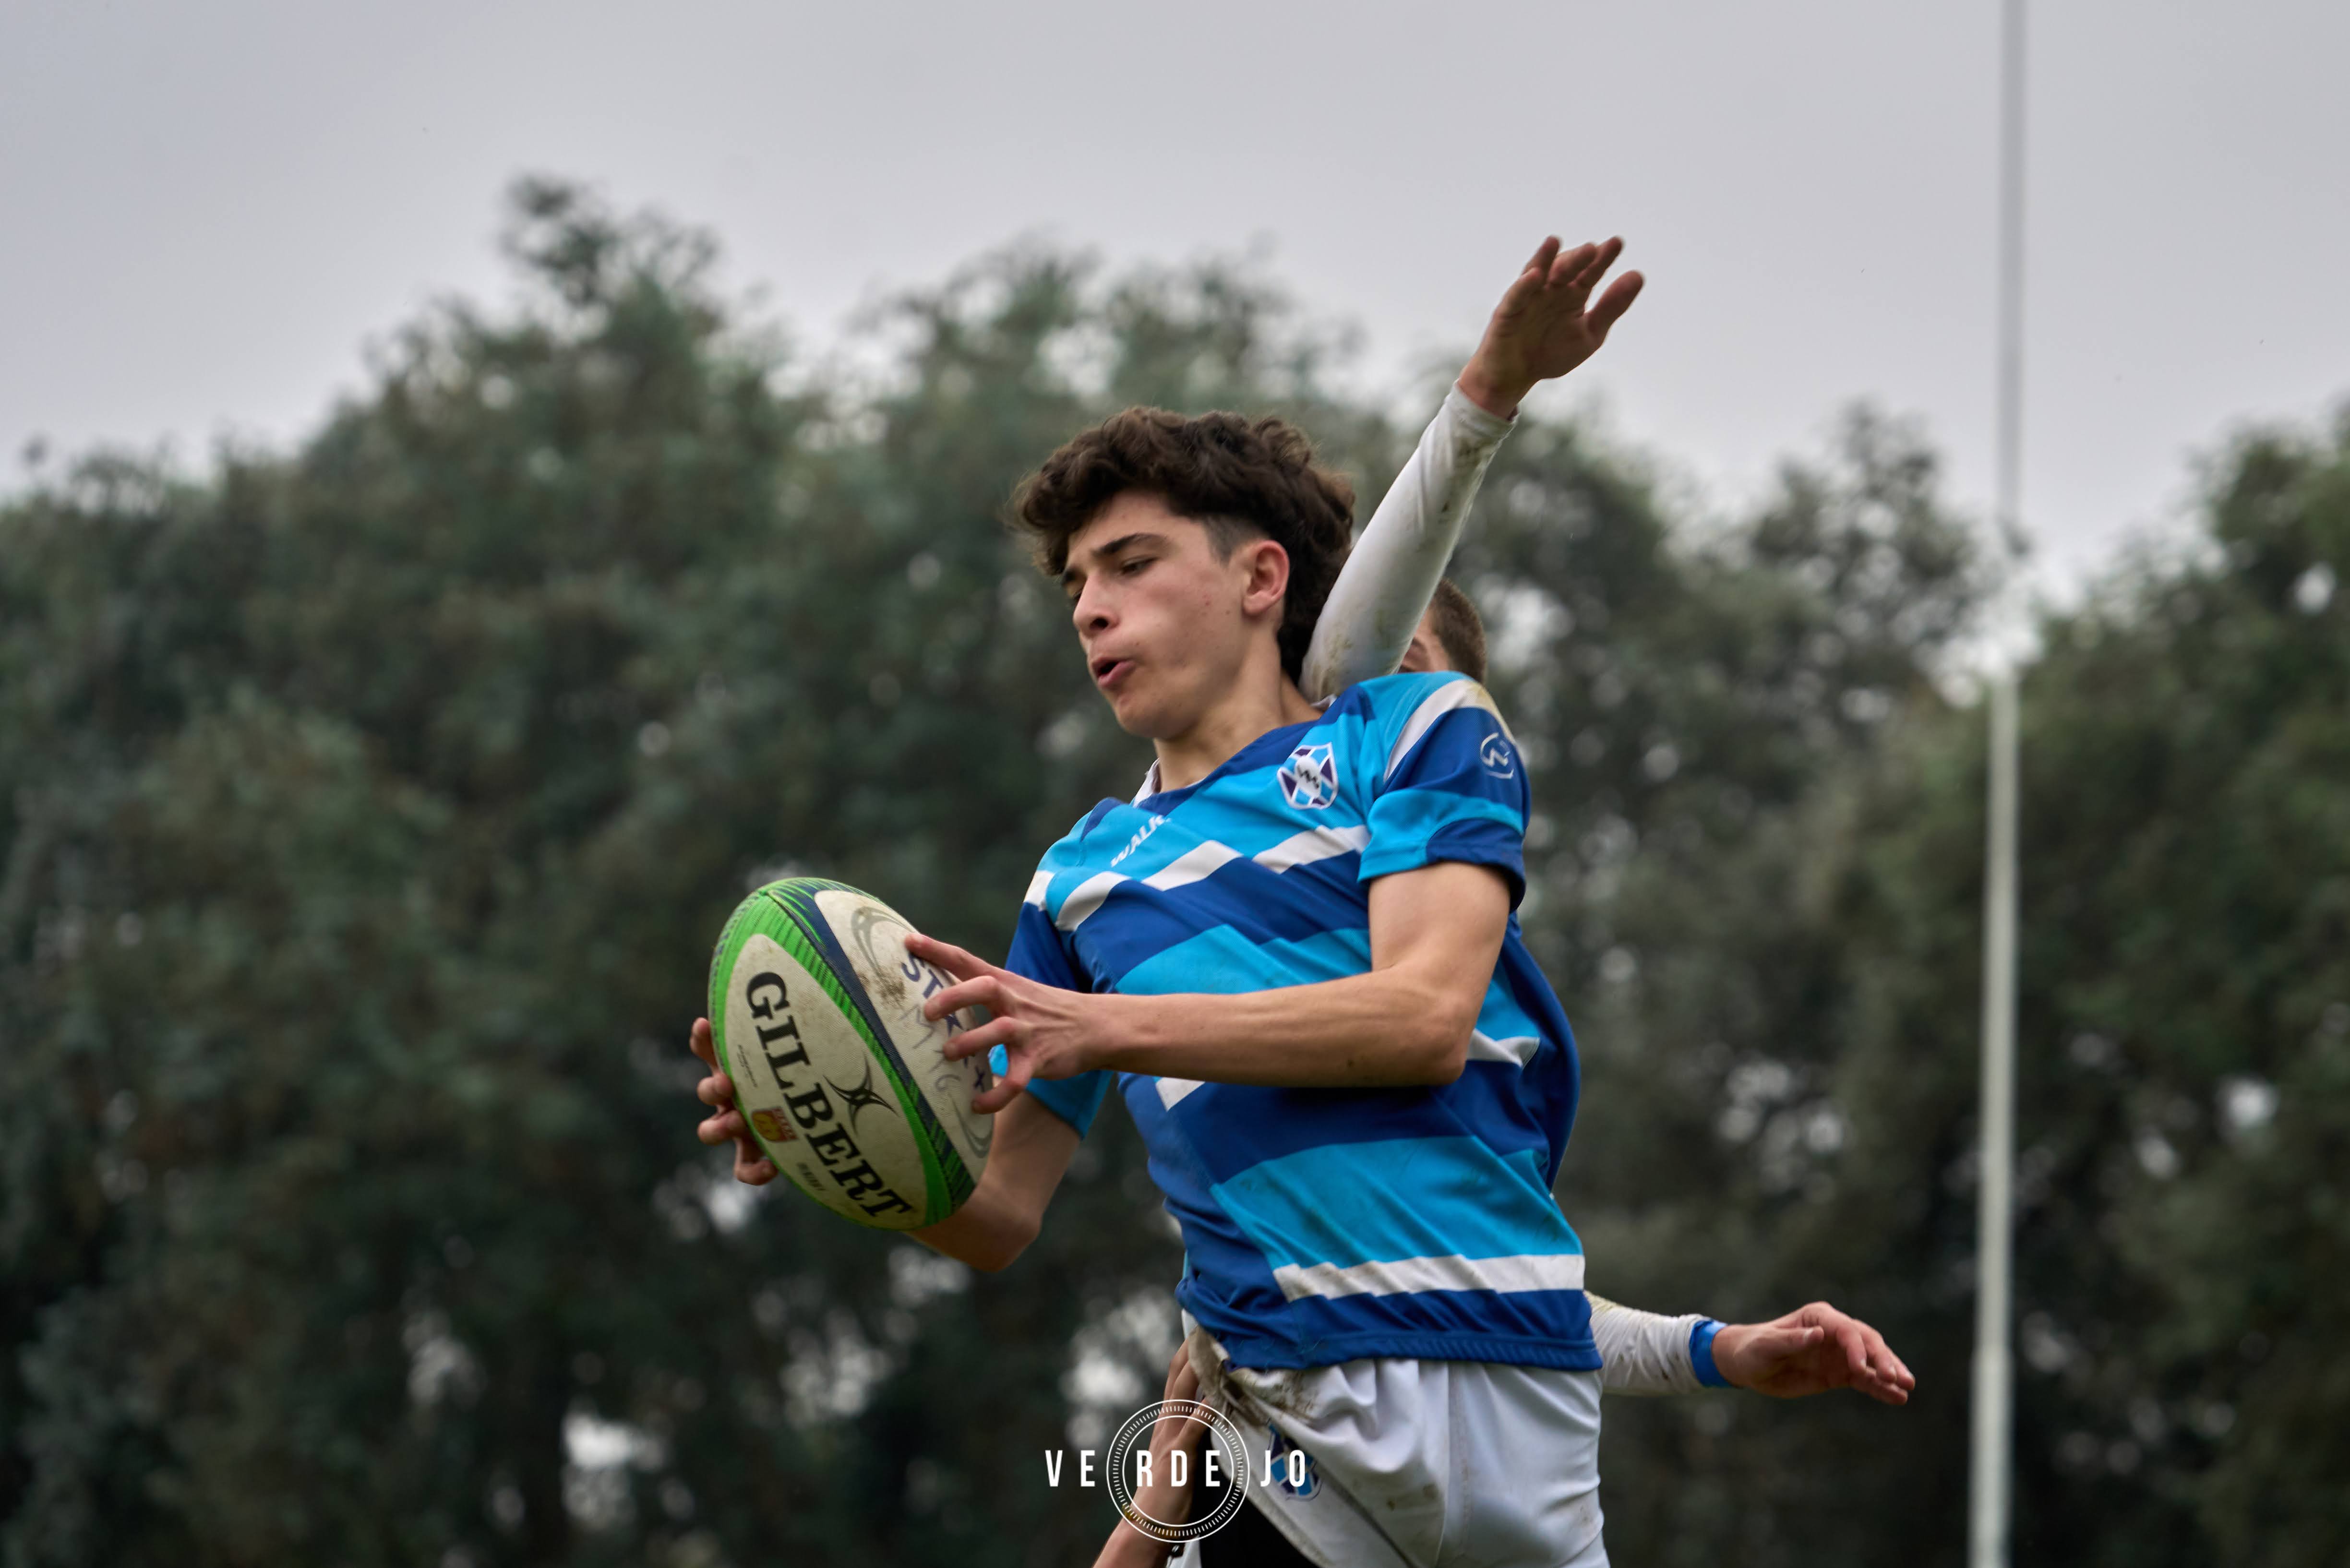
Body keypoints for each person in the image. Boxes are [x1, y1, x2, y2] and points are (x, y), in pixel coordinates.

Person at [691, 237, 1912, 1566]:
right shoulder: (1077, 881)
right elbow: (998, 1216)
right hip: (1283, 1439)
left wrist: (1105, 1030)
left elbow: (1422, 1021)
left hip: (1520, 1414)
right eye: (1077, 584)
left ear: (1260, 580)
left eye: (1133, 563)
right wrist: (839, 1141)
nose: (1091, 609)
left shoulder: (1419, 732)